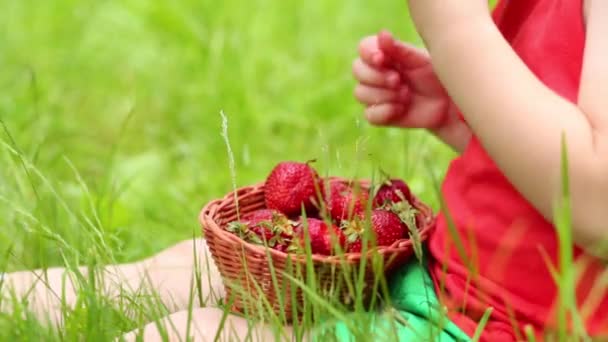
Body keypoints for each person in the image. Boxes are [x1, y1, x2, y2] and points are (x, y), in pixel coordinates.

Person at [2, 0, 607, 340]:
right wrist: (467, 113)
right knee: (185, 270)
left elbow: (597, 207)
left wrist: (460, 32)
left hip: (513, 328)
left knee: (200, 332)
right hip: (451, 282)